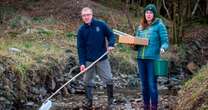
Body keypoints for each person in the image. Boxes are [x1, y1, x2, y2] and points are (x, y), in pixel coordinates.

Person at [77, 7, 115, 109]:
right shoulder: (81, 30)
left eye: (88, 15)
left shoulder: (101, 25)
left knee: (109, 79)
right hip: (89, 60)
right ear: (82, 17)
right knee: (87, 81)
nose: (86, 17)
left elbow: (111, 35)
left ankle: (110, 102)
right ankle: (89, 102)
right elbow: (80, 48)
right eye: (84, 15)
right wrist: (82, 63)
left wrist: (111, 44)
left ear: (92, 15)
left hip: (102, 58)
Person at [134, 4, 169, 110]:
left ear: (154, 14)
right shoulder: (140, 27)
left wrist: (163, 48)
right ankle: (146, 106)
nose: (148, 14)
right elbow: (136, 44)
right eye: (146, 12)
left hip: (153, 60)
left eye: (150, 13)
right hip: (141, 59)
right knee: (144, 86)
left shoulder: (159, 25)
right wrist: (133, 44)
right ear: (144, 14)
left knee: (152, 85)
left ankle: (154, 107)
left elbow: (165, 42)